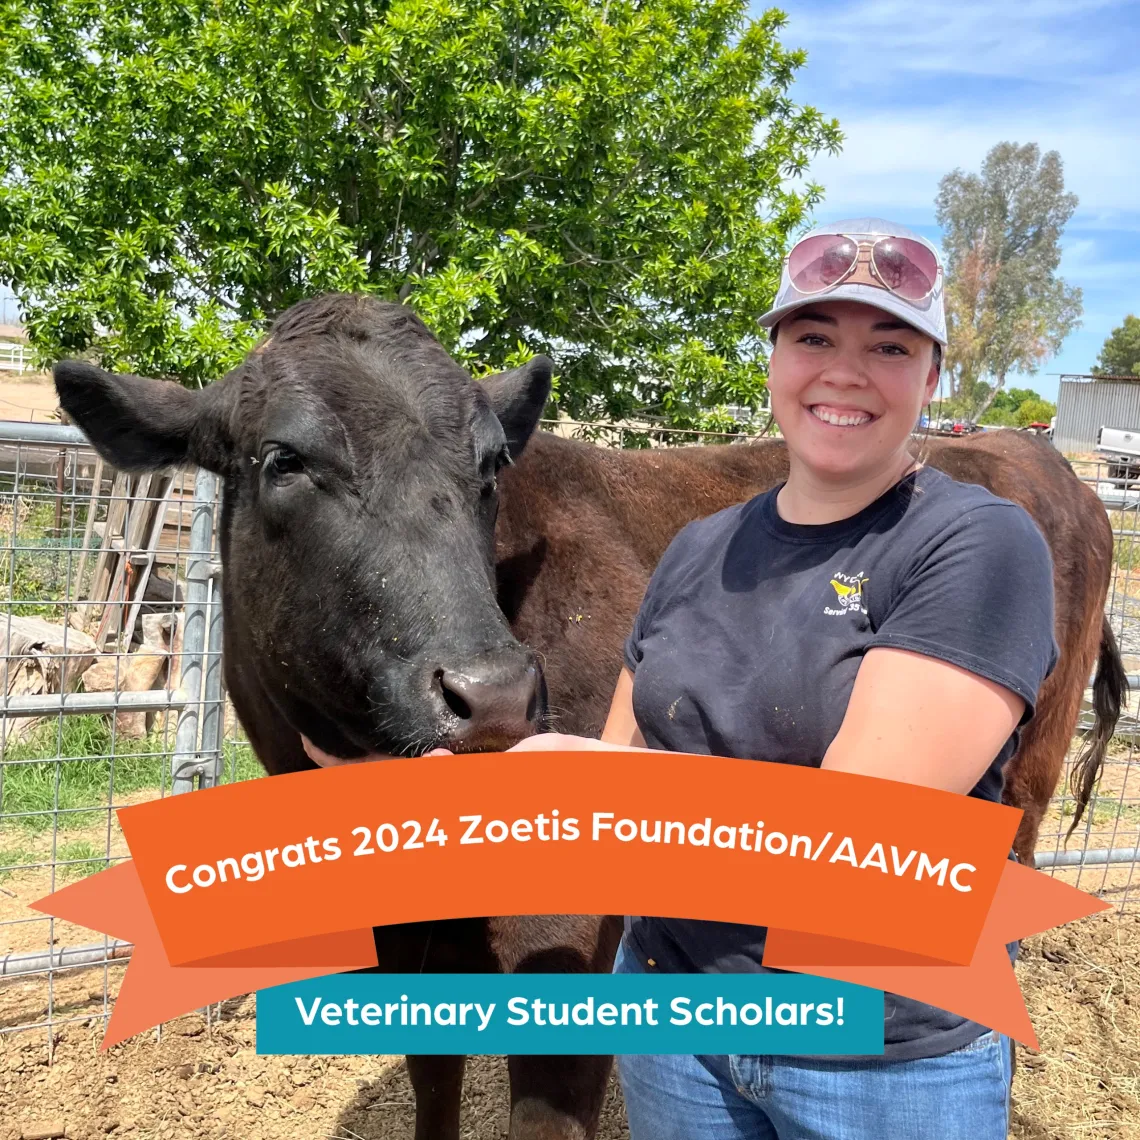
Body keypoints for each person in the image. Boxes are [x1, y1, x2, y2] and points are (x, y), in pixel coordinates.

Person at [303, 217, 1058, 1138]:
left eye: (889, 346)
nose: (845, 371)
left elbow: (862, 839)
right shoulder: (699, 551)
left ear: (932, 377)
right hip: (679, 1026)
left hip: (876, 1049)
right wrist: (434, 809)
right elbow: (617, 781)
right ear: (776, 359)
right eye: (813, 337)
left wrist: (565, 779)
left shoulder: (973, 543)